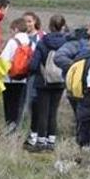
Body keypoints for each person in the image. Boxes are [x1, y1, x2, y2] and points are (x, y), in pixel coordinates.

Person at [25, 14, 68, 152]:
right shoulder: (66, 43)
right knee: (53, 112)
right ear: (63, 27)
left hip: (43, 81)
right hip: (60, 82)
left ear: (49, 26)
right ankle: (51, 140)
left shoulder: (42, 42)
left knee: (43, 111)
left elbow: (33, 65)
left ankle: (41, 141)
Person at [0, 17, 30, 132]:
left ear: (16, 29)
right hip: (23, 79)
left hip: (10, 79)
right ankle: (17, 128)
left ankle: (9, 129)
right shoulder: (30, 42)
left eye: (12, 30)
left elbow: (4, 60)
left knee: (9, 106)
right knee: (19, 106)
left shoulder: (13, 42)